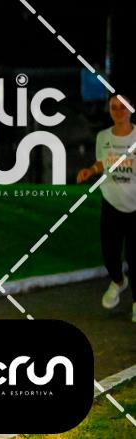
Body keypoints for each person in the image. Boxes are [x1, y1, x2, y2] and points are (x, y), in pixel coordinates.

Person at [77, 94, 136, 322]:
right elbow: (102, 161)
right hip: (111, 202)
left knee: (134, 257)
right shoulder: (103, 137)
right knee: (110, 256)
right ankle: (119, 282)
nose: (119, 111)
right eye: (114, 107)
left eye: (123, 107)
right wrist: (91, 171)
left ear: (131, 109)